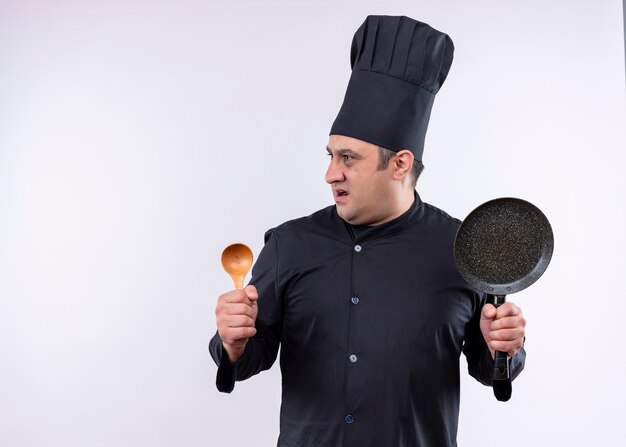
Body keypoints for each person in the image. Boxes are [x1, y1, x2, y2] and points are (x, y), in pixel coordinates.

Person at [210, 15, 526, 446]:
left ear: (399, 163)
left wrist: (501, 349)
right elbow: (247, 358)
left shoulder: (461, 249)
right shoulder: (289, 245)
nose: (330, 173)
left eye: (348, 158)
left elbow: (491, 371)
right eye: (330, 155)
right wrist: (232, 340)